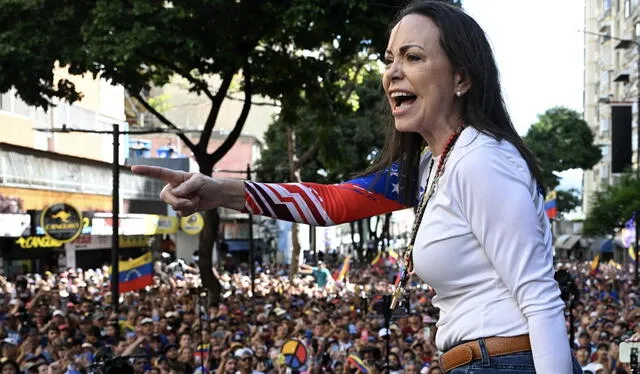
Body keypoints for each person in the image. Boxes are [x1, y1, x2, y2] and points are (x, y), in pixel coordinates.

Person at [132, 1, 582, 372]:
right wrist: (221, 192)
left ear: (462, 77)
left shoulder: (483, 160)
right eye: (389, 60)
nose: (392, 73)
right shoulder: (435, 164)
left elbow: (540, 300)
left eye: (413, 57)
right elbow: (336, 201)